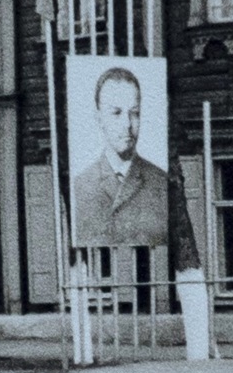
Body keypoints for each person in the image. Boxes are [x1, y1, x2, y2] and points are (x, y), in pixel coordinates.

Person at [69, 65, 167, 248]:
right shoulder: (80, 187)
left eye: (135, 113)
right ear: (99, 118)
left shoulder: (162, 183)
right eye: (116, 113)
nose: (127, 124)